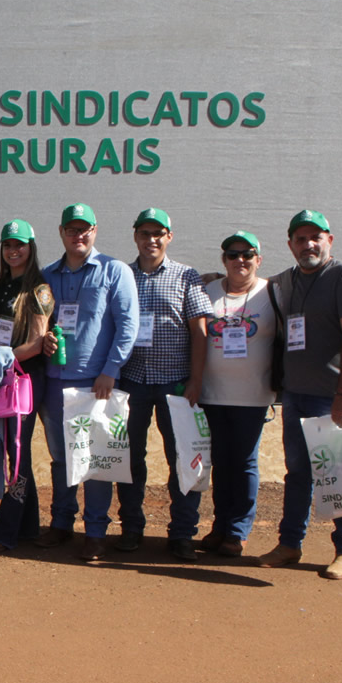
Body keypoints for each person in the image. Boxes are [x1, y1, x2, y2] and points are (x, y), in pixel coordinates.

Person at [259, 210, 342, 580]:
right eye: (300, 239)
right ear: (290, 244)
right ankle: (290, 544)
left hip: (336, 396)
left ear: (329, 240)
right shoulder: (287, 281)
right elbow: (249, 284)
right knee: (299, 474)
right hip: (296, 394)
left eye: (315, 237)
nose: (308, 244)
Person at [40, 203, 139, 562]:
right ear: (61, 232)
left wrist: (111, 370)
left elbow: (128, 326)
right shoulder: (47, 275)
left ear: (95, 231)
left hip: (97, 383)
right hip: (54, 381)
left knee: (96, 462)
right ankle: (62, 523)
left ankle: (95, 531)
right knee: (61, 459)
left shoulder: (115, 271)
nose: (78, 235)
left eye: (85, 229)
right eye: (71, 229)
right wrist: (44, 341)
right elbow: (39, 322)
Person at [113, 208, 214, 562]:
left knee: (183, 460)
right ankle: (131, 528)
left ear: (169, 237)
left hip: (176, 386)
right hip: (132, 383)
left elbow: (200, 333)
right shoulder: (122, 276)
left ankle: (183, 533)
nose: (151, 239)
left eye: (158, 233)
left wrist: (196, 380)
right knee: (128, 460)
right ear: (135, 235)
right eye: (144, 232)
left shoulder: (187, 276)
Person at [197, 230, 276, 559]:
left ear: (258, 259)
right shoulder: (208, 290)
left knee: (243, 463)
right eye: (232, 254)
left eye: (247, 254)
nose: (240, 260)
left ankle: (239, 531)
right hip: (212, 393)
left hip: (252, 394)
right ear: (223, 260)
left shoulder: (274, 293)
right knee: (220, 462)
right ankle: (221, 524)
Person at [0, 219, 55, 554]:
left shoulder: (39, 290)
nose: (13, 251)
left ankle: (6, 531)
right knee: (14, 448)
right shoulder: (1, 287)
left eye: (19, 245)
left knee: (17, 452)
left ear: (31, 248)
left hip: (25, 378)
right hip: (3, 376)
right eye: (8, 245)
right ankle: (29, 528)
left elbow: (38, 343)